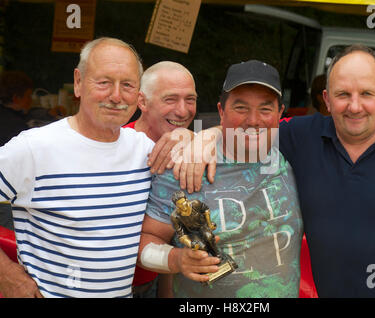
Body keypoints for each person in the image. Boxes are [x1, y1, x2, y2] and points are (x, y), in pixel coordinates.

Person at [175, 46, 375, 297]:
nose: (355, 106)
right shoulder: (302, 137)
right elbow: (250, 127)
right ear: (327, 100)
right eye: (343, 95)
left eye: (367, 94)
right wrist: (202, 136)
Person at [0, 37, 155, 298]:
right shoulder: (34, 148)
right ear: (78, 82)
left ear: (139, 94)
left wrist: (189, 136)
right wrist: (5, 274)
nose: (116, 96)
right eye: (104, 82)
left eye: (127, 84)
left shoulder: (146, 151)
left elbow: (217, 150)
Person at [138, 60, 303, 297]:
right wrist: (176, 259)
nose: (254, 120)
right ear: (221, 111)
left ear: (280, 114)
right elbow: (147, 239)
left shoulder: (294, 153)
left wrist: (204, 133)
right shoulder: (185, 165)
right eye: (241, 108)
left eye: (265, 109)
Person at [124, 61, 198, 297]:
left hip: (159, 280)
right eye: (170, 99)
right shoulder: (114, 146)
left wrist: (205, 136)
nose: (183, 111)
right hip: (101, 283)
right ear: (142, 101)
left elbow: (255, 136)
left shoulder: (196, 148)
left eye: (190, 99)